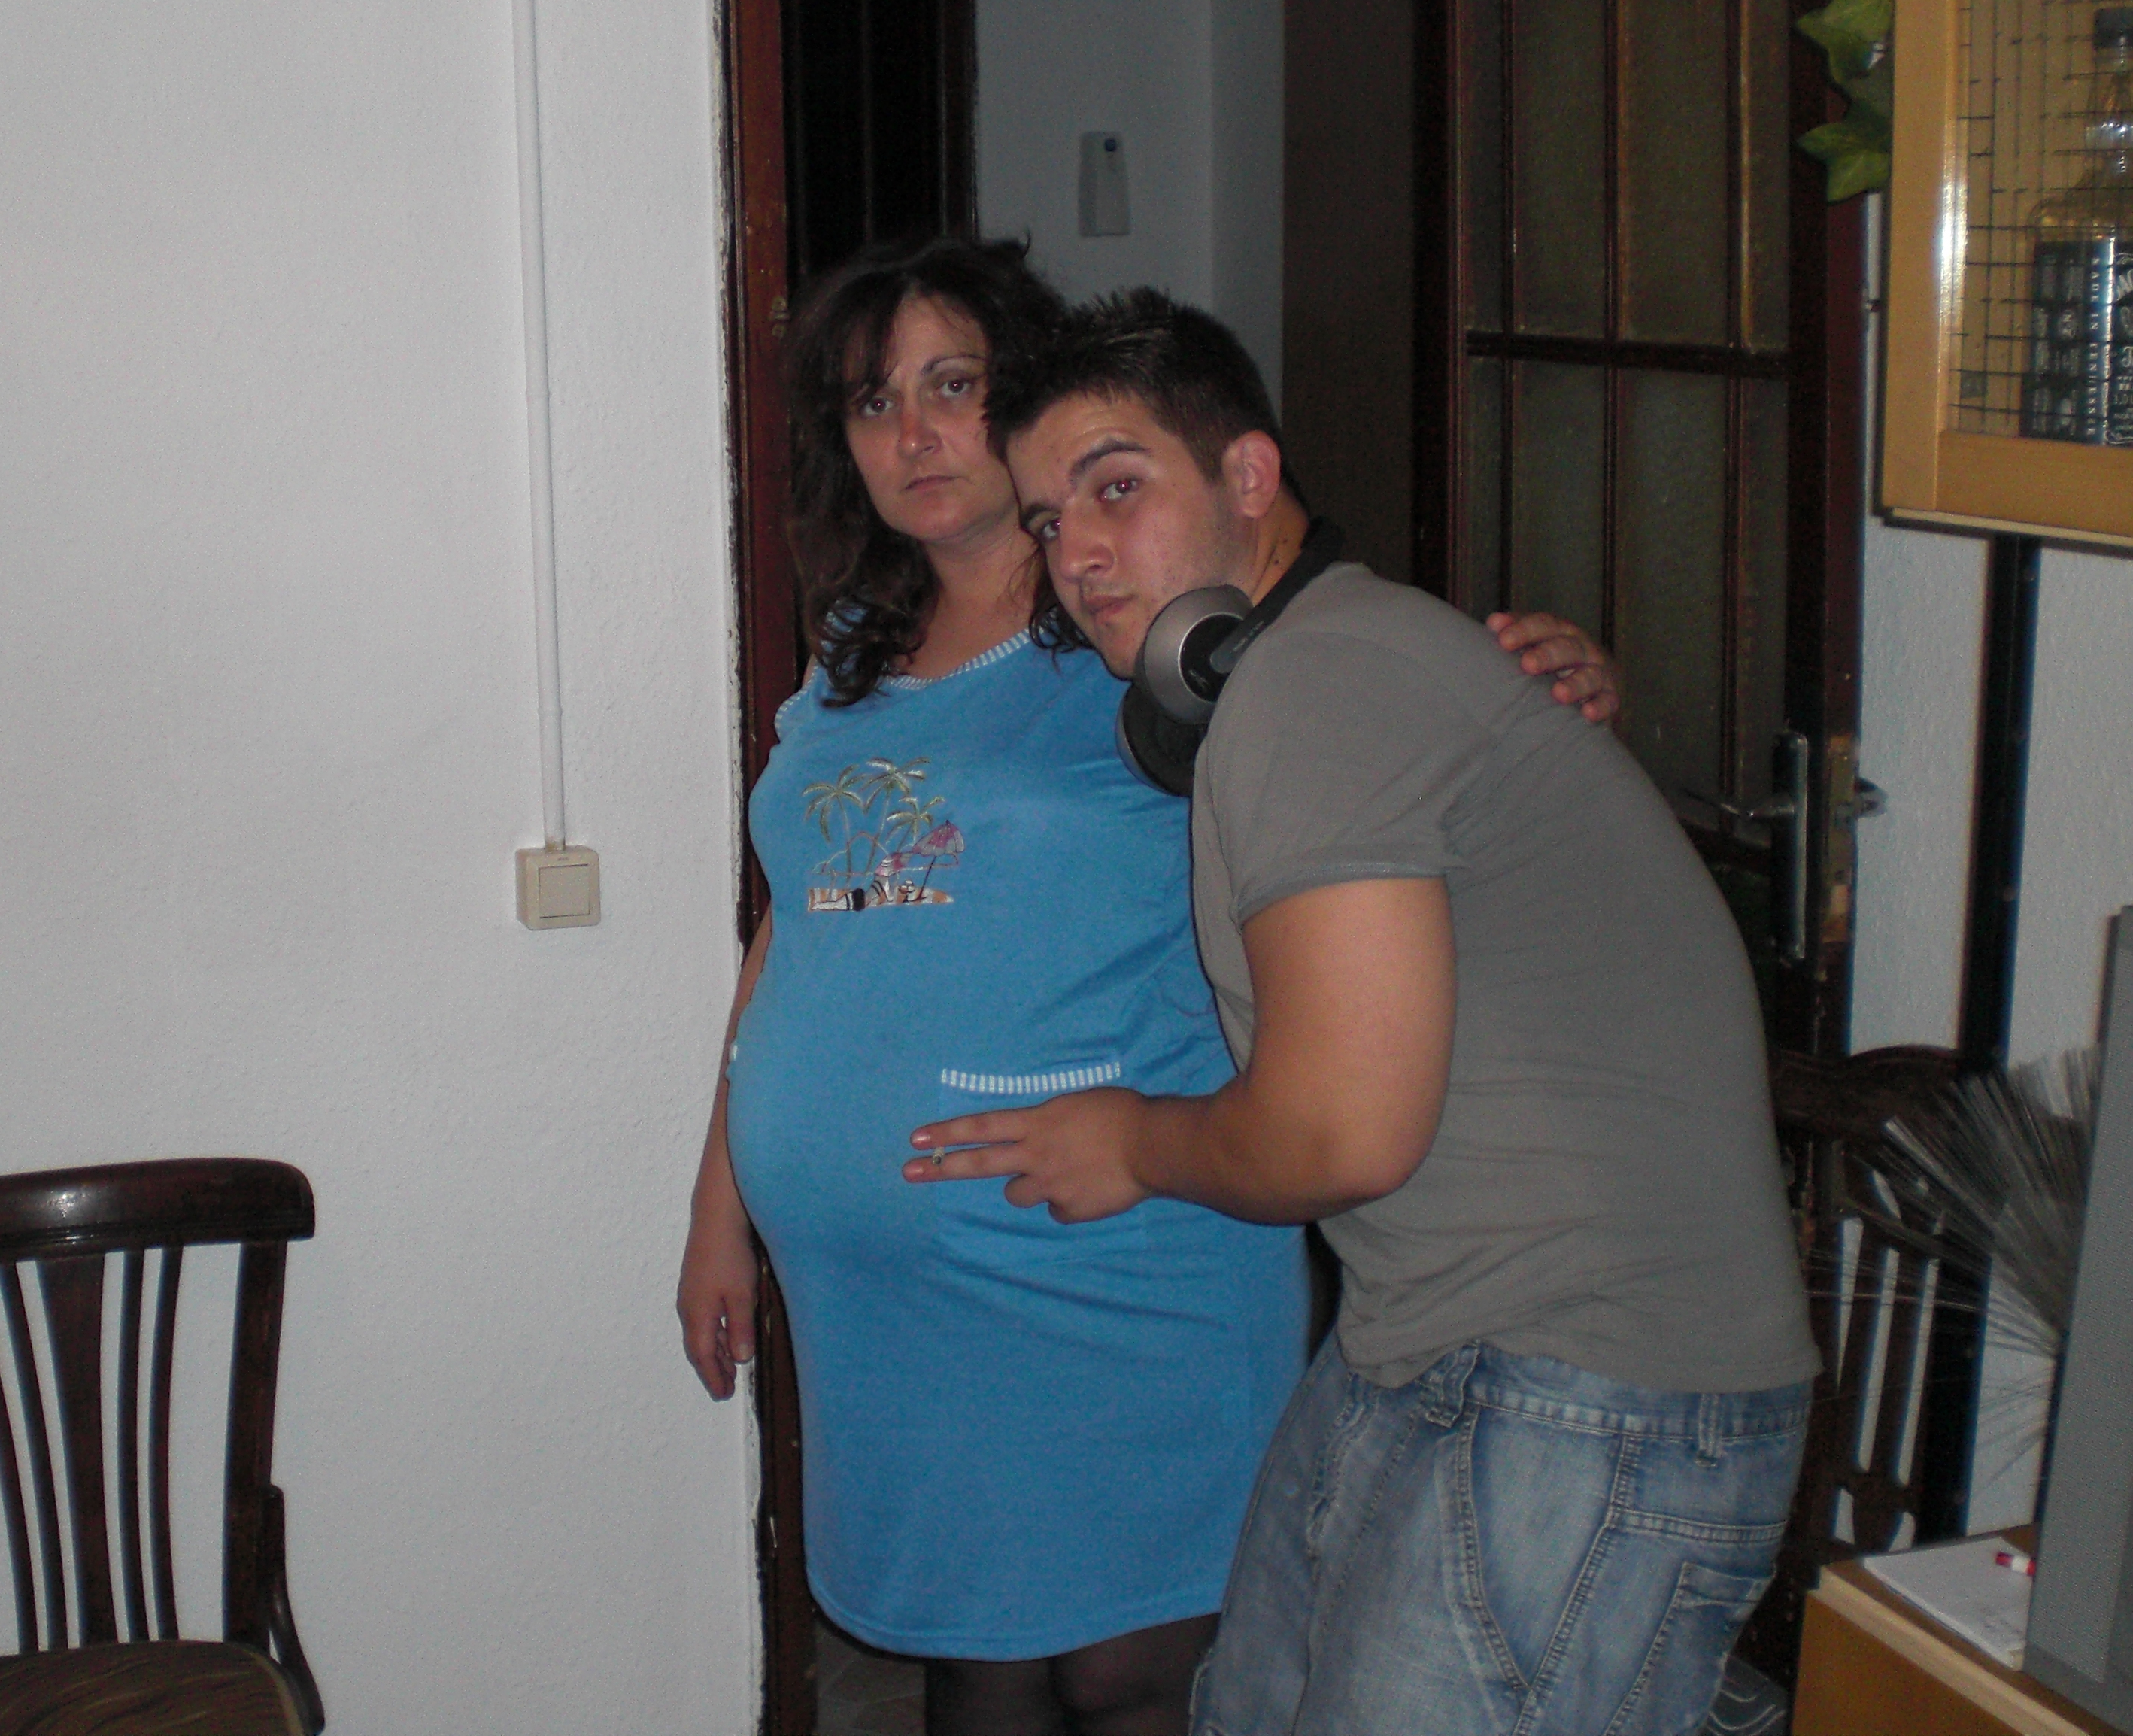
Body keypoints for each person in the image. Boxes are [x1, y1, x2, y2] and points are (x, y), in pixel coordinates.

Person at [677, 238, 1623, 1736]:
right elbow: (797, 930)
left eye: (953, 386)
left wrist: (1542, 673)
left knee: (1134, 1673)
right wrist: (721, 1209)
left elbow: (1377, 718)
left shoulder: (1155, 635)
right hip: (896, 1314)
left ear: (1029, 400)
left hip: (1110, 1257)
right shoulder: (853, 656)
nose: (914, 433)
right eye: (872, 402)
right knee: (978, 1657)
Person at [911, 287, 1818, 1736]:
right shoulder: (1312, 669)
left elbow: (1338, 1132)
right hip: (1430, 1337)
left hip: (1585, 1382)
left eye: (1117, 488)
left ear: (1249, 475)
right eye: (1046, 519)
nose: (1075, 554)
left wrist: (1132, 1143)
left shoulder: (1319, 683)